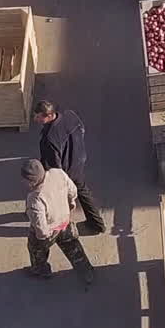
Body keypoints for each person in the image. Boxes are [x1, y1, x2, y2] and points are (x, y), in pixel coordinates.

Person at [34, 100, 106, 234]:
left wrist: (50, 178)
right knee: (83, 192)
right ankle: (97, 223)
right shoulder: (70, 115)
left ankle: (58, 222)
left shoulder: (49, 138)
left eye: (39, 117)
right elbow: (82, 130)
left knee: (57, 195)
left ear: (49, 116)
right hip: (79, 160)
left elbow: (53, 164)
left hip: (66, 170)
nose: (36, 119)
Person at [21, 159, 94, 285]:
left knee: (36, 250)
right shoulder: (58, 173)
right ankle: (87, 273)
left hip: (50, 231)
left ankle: (41, 270)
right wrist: (70, 205)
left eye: (25, 180)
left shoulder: (35, 199)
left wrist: (43, 238)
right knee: (74, 248)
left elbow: (41, 230)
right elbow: (73, 191)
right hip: (65, 222)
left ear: (31, 182)